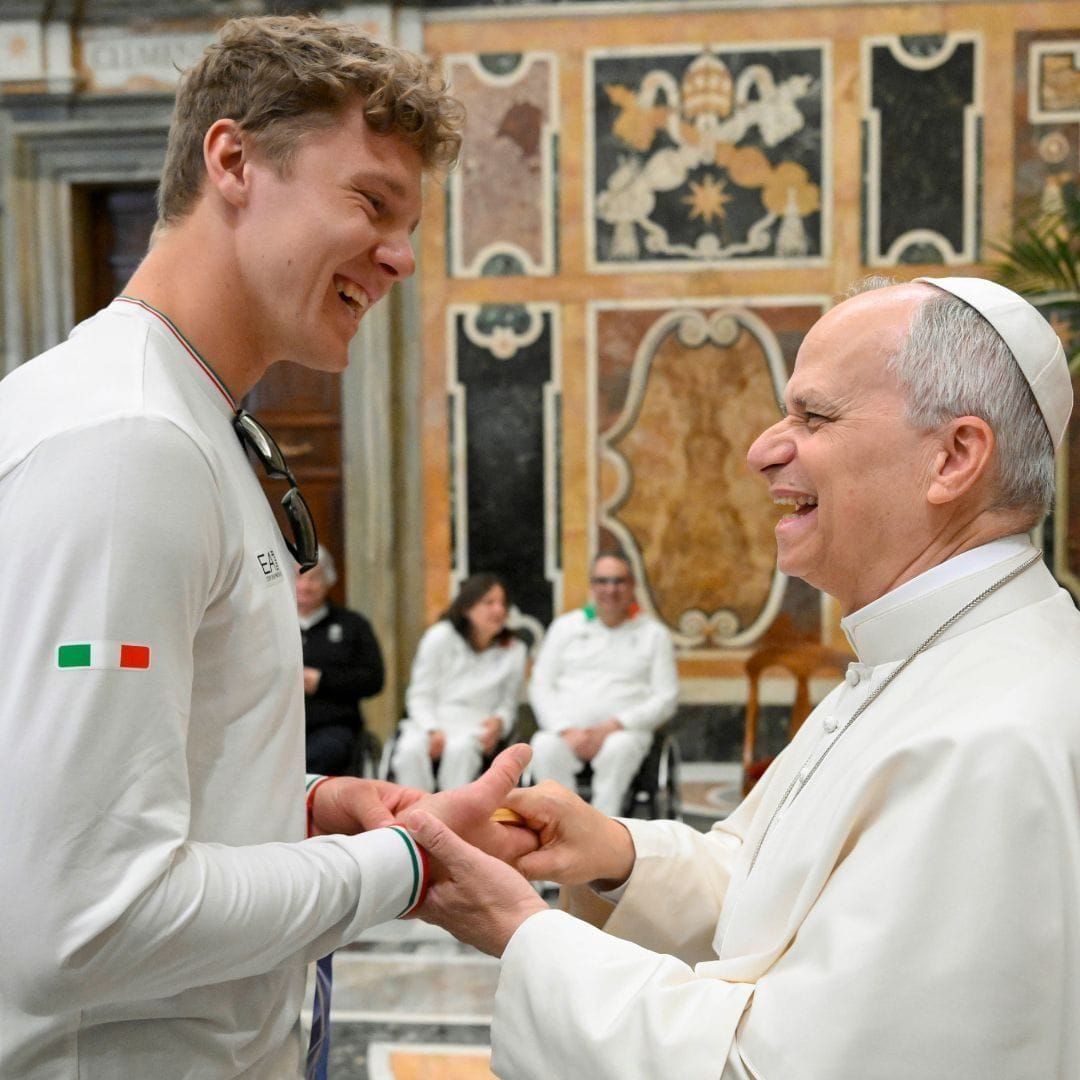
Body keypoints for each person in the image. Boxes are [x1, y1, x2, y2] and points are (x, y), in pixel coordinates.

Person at [0, 17, 536, 1080]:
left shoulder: (184, 418)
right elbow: (78, 918)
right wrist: (397, 867)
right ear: (234, 161)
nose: (401, 256)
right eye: (372, 201)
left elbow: (81, 790)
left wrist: (294, 806)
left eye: (411, 222)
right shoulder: (128, 443)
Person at [395, 276, 1080, 1079]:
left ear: (954, 456)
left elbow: (775, 1067)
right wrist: (612, 853)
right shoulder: (927, 658)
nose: (762, 448)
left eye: (813, 416)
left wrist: (523, 933)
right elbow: (772, 902)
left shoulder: (992, 738)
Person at [528, 551, 678, 815]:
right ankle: (562, 825)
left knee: (618, 748)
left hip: (625, 732)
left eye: (619, 581)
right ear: (592, 586)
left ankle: (603, 831)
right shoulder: (565, 628)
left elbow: (666, 698)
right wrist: (565, 729)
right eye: (602, 581)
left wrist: (614, 725)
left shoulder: (654, 635)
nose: (611, 589)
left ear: (633, 586)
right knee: (543, 744)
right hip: (566, 731)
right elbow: (540, 685)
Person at [391, 573, 527, 792]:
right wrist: (431, 728)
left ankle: (452, 817)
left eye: (503, 603)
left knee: (461, 750)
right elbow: (420, 693)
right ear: (467, 607)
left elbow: (508, 703)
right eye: (489, 602)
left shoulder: (514, 649)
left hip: (475, 723)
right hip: (431, 717)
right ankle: (412, 814)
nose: (498, 610)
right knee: (409, 750)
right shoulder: (439, 637)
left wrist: (500, 723)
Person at [298, 545, 385, 774]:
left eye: (313, 578)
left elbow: (373, 679)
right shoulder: (271, 626)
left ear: (328, 580)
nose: (305, 586)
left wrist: (322, 681)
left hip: (334, 727)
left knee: (316, 758)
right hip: (279, 724)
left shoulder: (352, 625)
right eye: (298, 577)